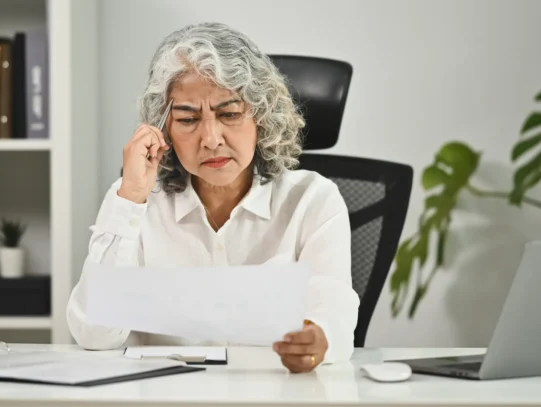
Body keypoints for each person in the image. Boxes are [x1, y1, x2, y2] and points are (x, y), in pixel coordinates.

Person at [66, 22, 359, 373]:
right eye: (188, 119)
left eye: (230, 114)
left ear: (261, 118)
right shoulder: (139, 202)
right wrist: (130, 199)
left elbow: (334, 312)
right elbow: (94, 335)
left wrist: (320, 337)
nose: (211, 138)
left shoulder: (313, 200)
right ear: (165, 131)